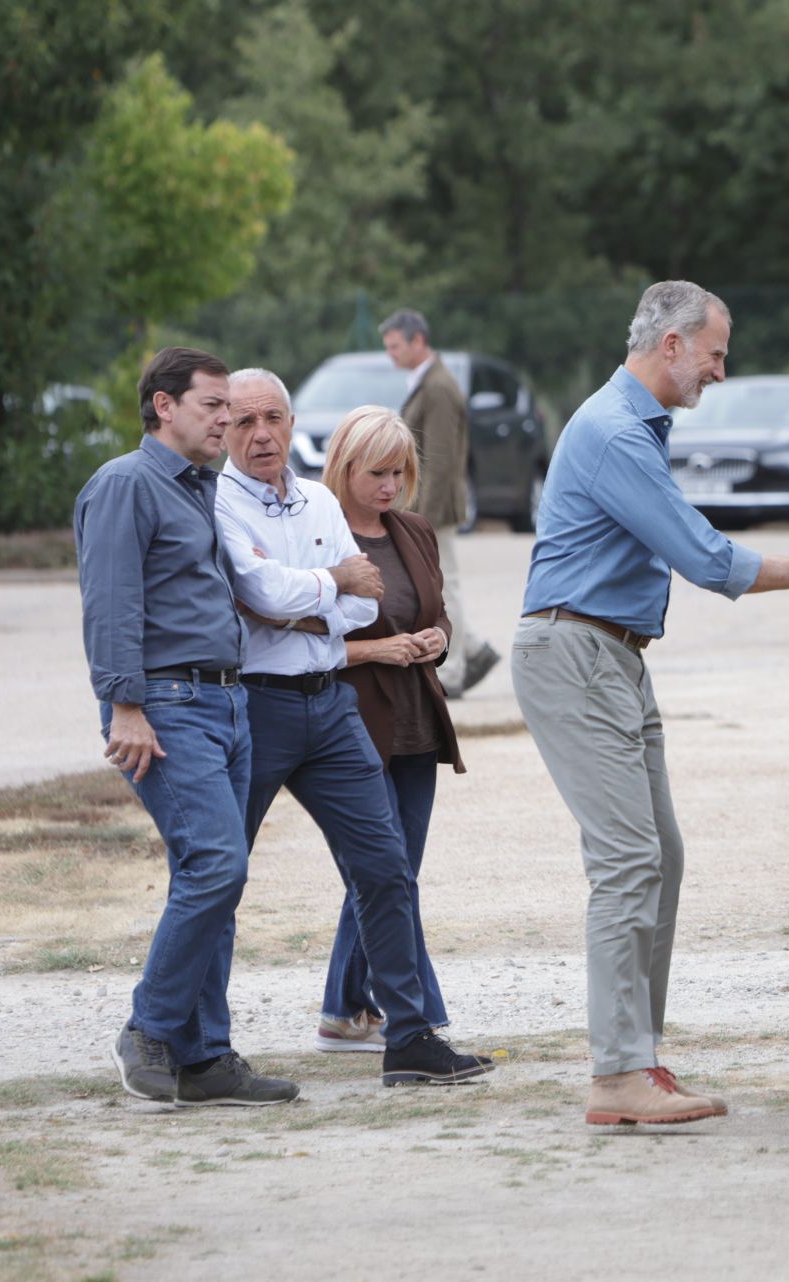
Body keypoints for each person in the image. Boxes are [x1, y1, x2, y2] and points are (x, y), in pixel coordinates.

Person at [513, 280, 789, 1128]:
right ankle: (617, 1075)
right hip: (576, 651)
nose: (719, 370)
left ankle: (639, 1059)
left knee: (658, 853)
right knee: (629, 858)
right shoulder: (611, 431)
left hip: (614, 654)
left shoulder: (630, 426)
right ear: (669, 345)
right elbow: (703, 558)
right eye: (715, 353)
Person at [217, 368, 493, 1087]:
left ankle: (408, 1036)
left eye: (273, 417)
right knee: (218, 874)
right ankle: (191, 1039)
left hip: (329, 707)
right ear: (220, 426)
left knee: (386, 871)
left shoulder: (311, 501)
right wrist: (326, 587)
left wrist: (305, 599)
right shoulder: (216, 503)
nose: (262, 433)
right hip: (259, 704)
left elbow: (360, 607)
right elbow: (257, 594)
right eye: (244, 421)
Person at [81, 346, 299, 1107]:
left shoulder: (201, 489)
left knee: (212, 877)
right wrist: (125, 704)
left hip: (227, 705)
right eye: (213, 405)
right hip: (167, 708)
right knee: (216, 864)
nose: (229, 420)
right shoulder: (125, 484)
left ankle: (206, 1059)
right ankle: (150, 1028)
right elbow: (111, 604)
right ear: (164, 407)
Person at [313, 405, 467, 1051]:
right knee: (383, 873)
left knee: (393, 873)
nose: (390, 485)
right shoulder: (319, 537)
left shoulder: (414, 530)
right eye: (377, 472)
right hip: (351, 724)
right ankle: (416, 1019)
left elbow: (438, 613)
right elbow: (292, 642)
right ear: (344, 467)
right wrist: (377, 650)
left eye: (400, 472)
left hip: (416, 724)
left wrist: (436, 639)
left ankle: (346, 1008)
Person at [381, 308, 500, 696]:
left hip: (434, 508)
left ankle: (453, 671)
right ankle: (475, 651)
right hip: (426, 506)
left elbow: (441, 459)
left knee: (445, 586)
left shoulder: (438, 387)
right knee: (439, 584)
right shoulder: (429, 382)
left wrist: (423, 520)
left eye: (395, 346)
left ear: (418, 341)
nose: (391, 355)